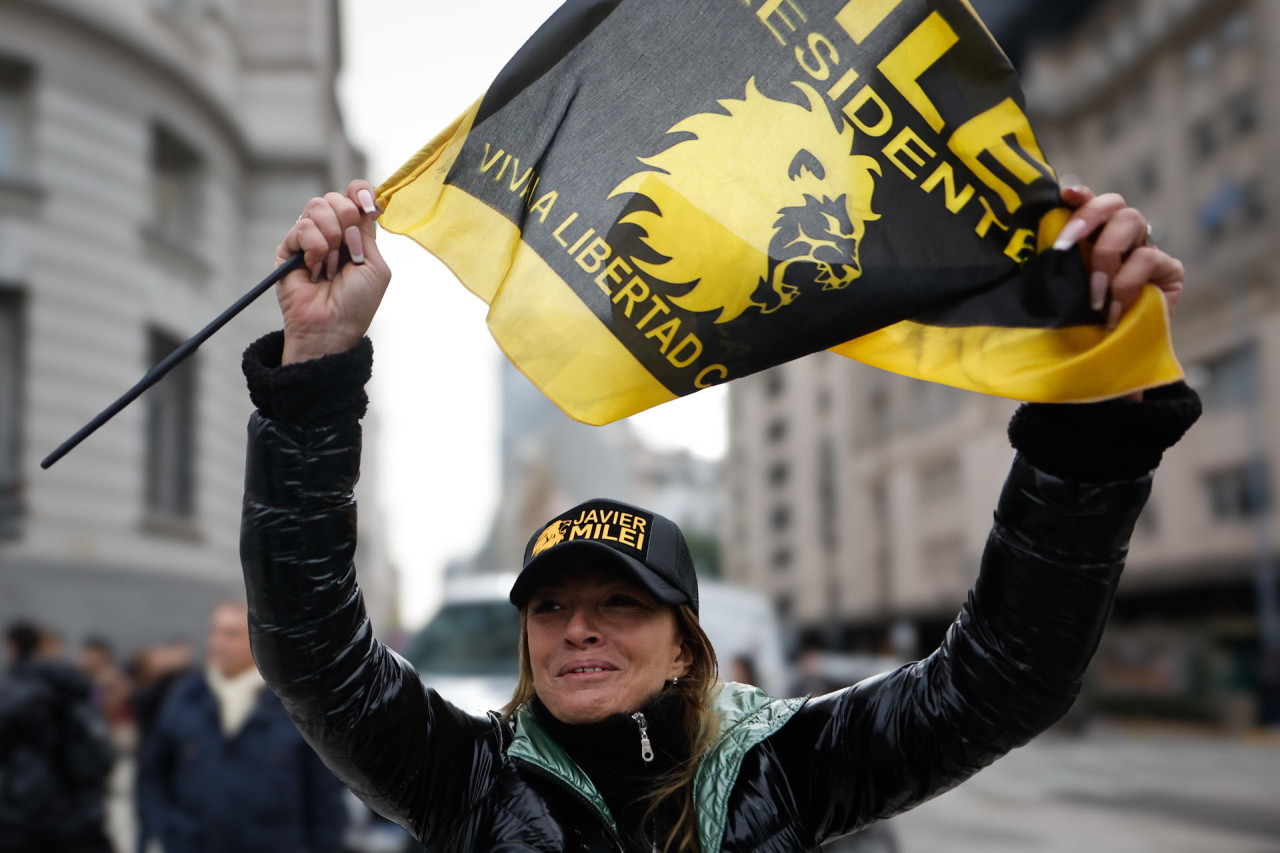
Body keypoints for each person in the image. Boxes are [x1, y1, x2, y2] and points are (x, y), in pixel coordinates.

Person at [237, 180, 1200, 852]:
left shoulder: (787, 764)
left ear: (688, 646)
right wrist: (315, 366)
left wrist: (1086, 433)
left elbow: (1003, 679)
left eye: (621, 602)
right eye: (550, 606)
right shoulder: (469, 777)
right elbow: (316, 653)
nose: (576, 626)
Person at [136, 601, 348, 853]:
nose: (219, 643)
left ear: (262, 639)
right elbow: (152, 774)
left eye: (233, 633)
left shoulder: (297, 706)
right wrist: (169, 830)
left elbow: (325, 798)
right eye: (215, 631)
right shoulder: (185, 698)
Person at [0, 621, 115, 853]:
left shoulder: (14, 688)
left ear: (13, 646)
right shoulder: (77, 686)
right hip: (80, 815)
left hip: (24, 817)